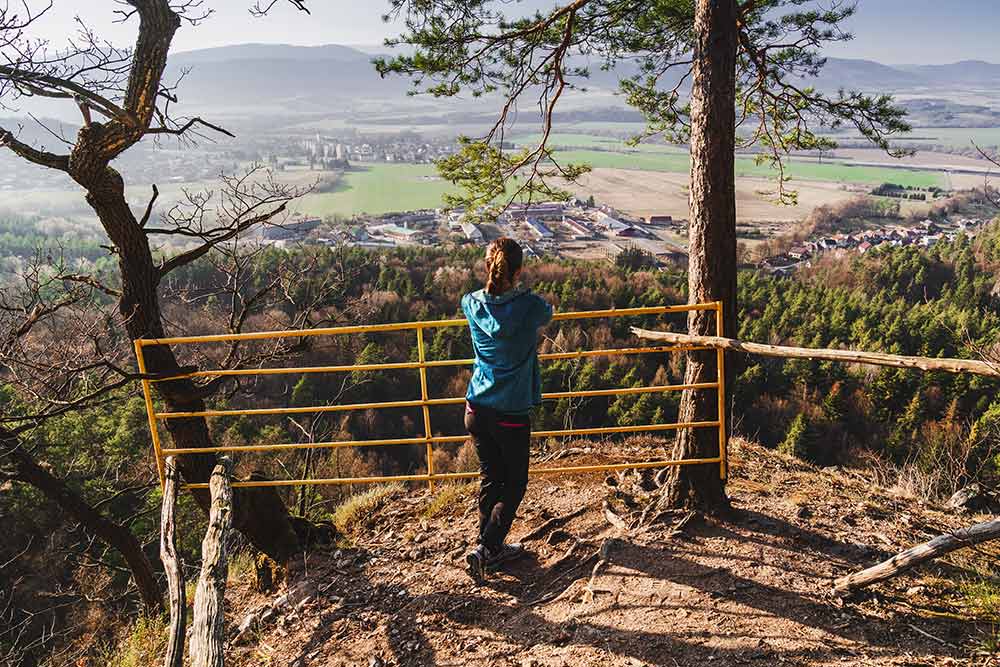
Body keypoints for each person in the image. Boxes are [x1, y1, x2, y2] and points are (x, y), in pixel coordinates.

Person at [461, 236, 553, 581]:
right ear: (518, 270)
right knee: (515, 484)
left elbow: (483, 299)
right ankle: (486, 546)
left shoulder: (471, 303)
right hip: (509, 410)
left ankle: (490, 546)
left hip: (476, 406)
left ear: (488, 267)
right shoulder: (529, 306)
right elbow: (547, 311)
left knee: (491, 477)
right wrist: (519, 290)